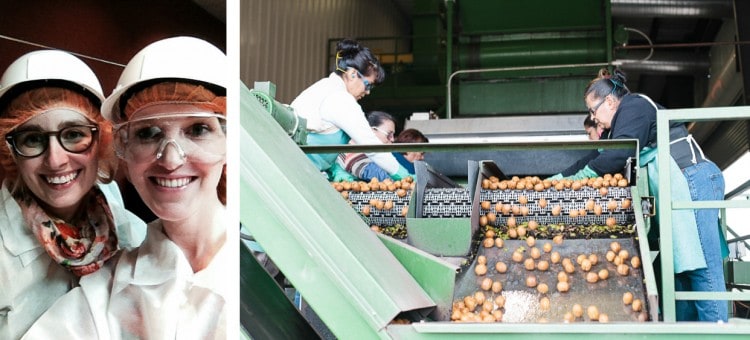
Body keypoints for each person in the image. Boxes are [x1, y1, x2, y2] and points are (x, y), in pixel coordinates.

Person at [24, 36, 228, 339]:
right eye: (148, 133)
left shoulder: (263, 260)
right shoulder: (102, 296)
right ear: (123, 150)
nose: (171, 159)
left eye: (198, 130)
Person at [552, 68, 727, 322]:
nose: (593, 118)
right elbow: (596, 156)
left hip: (693, 178)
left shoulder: (633, 106)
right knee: (681, 270)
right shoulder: (620, 126)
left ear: (610, 101)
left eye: (593, 110)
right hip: (676, 187)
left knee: (703, 269)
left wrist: (579, 179)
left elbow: (619, 154)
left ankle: (717, 333)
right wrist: (559, 180)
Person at [0, 50, 145, 339]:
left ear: (101, 139)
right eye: (32, 139)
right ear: (11, 151)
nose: (55, 160)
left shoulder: (121, 222)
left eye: (74, 134)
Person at [291, 39, 410, 181]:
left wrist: (333, 168)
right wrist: (402, 175)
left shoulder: (324, 87)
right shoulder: (340, 99)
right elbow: (371, 145)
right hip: (298, 174)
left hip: (302, 170)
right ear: (353, 74)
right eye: (368, 85)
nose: (368, 92)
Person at [337, 110, 397, 181]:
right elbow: (374, 173)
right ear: (372, 130)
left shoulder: (367, 151)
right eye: (389, 134)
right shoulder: (351, 151)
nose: (392, 139)